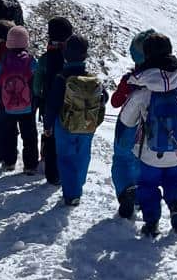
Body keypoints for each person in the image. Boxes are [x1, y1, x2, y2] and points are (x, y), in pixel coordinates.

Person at [117, 33, 177, 236]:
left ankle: (151, 222)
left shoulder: (144, 90)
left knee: (148, 185)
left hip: (149, 153)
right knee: (175, 179)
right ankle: (176, 207)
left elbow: (127, 119)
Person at [46, 34, 106, 205]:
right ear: (85, 55)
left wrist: (48, 125)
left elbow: (52, 104)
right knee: (83, 156)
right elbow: (104, 97)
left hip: (65, 124)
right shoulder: (92, 79)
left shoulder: (61, 78)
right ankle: (78, 185)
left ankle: (72, 193)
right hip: (88, 124)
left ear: (65, 54)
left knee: (66, 157)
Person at [109, 30, 153, 218]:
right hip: (150, 129)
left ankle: (125, 192)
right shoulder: (161, 80)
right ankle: (140, 194)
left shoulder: (130, 79)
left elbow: (115, 102)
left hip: (127, 127)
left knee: (121, 159)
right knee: (142, 162)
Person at [0, 25, 39, 172]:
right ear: (26, 43)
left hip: (6, 108)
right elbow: (38, 83)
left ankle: (9, 162)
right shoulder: (31, 62)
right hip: (28, 108)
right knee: (29, 136)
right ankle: (30, 165)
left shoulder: (2, 64)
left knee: (8, 135)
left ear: (8, 43)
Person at [35, 15, 74, 184]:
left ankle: (51, 172)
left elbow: (37, 85)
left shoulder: (45, 59)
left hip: (48, 103)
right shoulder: (71, 58)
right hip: (70, 105)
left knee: (49, 135)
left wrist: (38, 96)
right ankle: (66, 170)